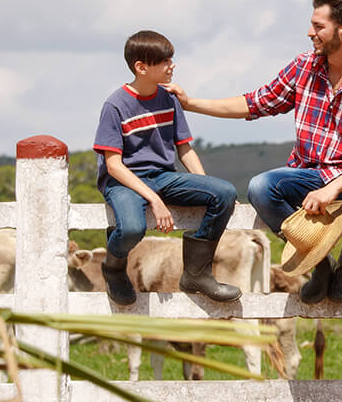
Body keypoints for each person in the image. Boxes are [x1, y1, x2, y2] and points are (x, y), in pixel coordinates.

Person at [165, 0, 342, 304]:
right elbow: (255, 103)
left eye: (319, 26)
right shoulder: (304, 67)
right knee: (261, 187)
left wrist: (332, 189)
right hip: (308, 176)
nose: (310, 32)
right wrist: (190, 103)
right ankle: (320, 263)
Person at [93, 29, 243, 305]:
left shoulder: (169, 99)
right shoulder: (115, 105)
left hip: (163, 176)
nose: (172, 66)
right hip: (125, 180)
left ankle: (196, 273)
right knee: (131, 229)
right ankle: (113, 267)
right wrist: (155, 200)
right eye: (165, 61)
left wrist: (204, 185)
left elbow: (184, 148)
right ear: (141, 67)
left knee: (223, 193)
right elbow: (113, 165)